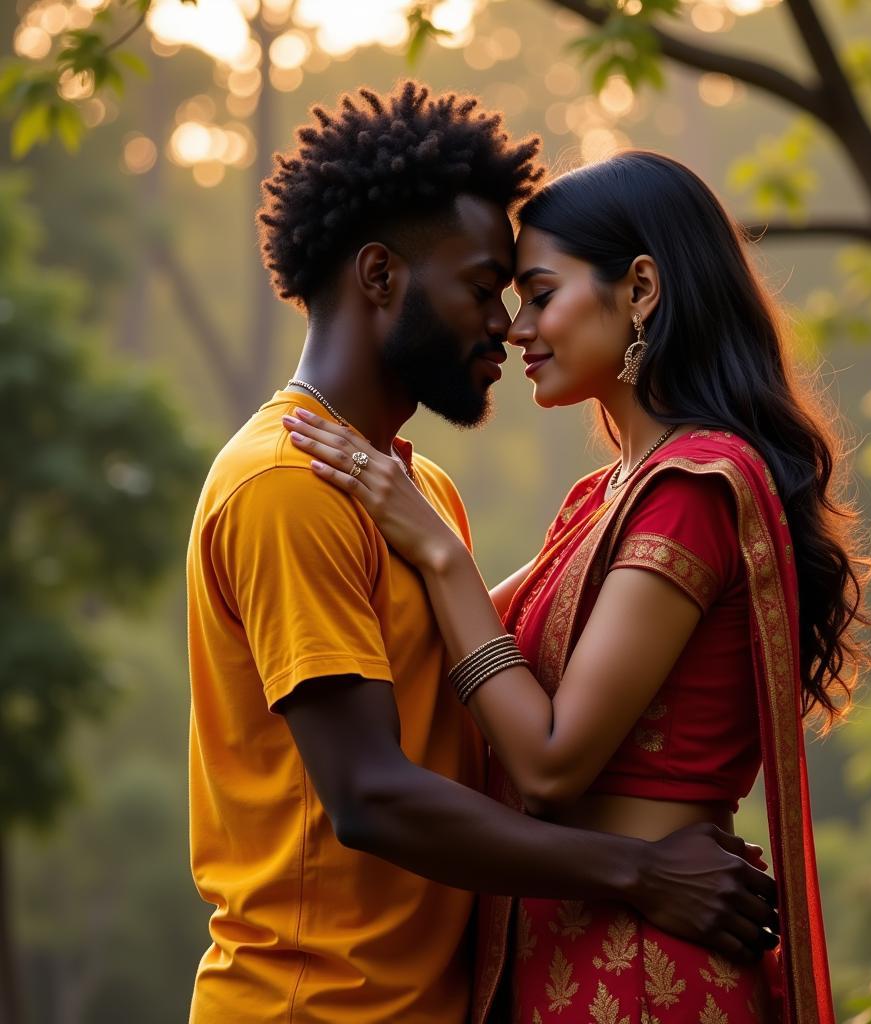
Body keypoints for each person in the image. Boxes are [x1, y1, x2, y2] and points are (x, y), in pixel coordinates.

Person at [186, 84, 779, 1024]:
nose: (506, 326)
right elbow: (371, 795)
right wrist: (642, 870)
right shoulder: (289, 482)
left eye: (529, 295)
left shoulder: (421, 495)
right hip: (314, 1006)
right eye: (484, 290)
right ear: (380, 278)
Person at [285, 149, 871, 1024]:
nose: (514, 329)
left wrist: (439, 550)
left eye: (540, 293)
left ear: (640, 289)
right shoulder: (602, 501)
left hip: (645, 970)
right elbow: (462, 664)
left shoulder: (690, 493)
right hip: (573, 951)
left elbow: (552, 762)